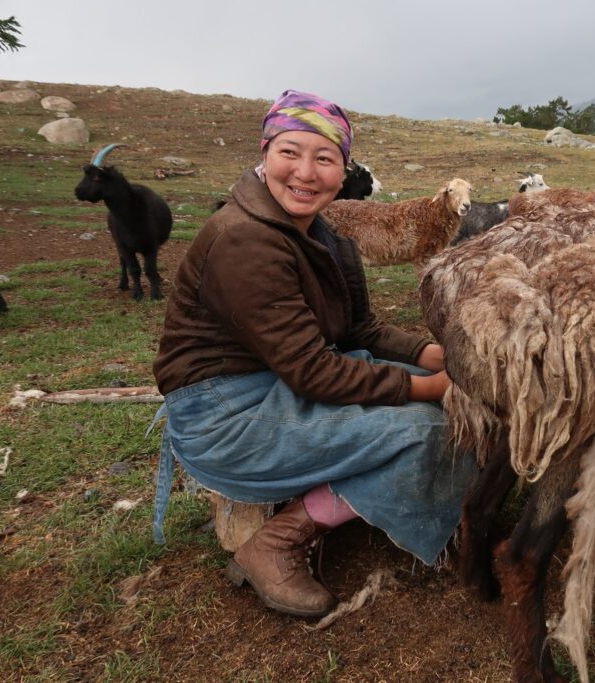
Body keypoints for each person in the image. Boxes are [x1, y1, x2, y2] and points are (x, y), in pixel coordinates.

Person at [150, 89, 475, 618]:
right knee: (438, 426)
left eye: (324, 158)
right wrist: (431, 388)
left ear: (343, 169)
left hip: (274, 384)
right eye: (289, 153)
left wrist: (434, 355)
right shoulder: (244, 240)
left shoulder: (319, 232)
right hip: (226, 417)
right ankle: (277, 541)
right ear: (264, 152)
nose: (305, 172)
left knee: (450, 399)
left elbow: (360, 329)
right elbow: (310, 369)